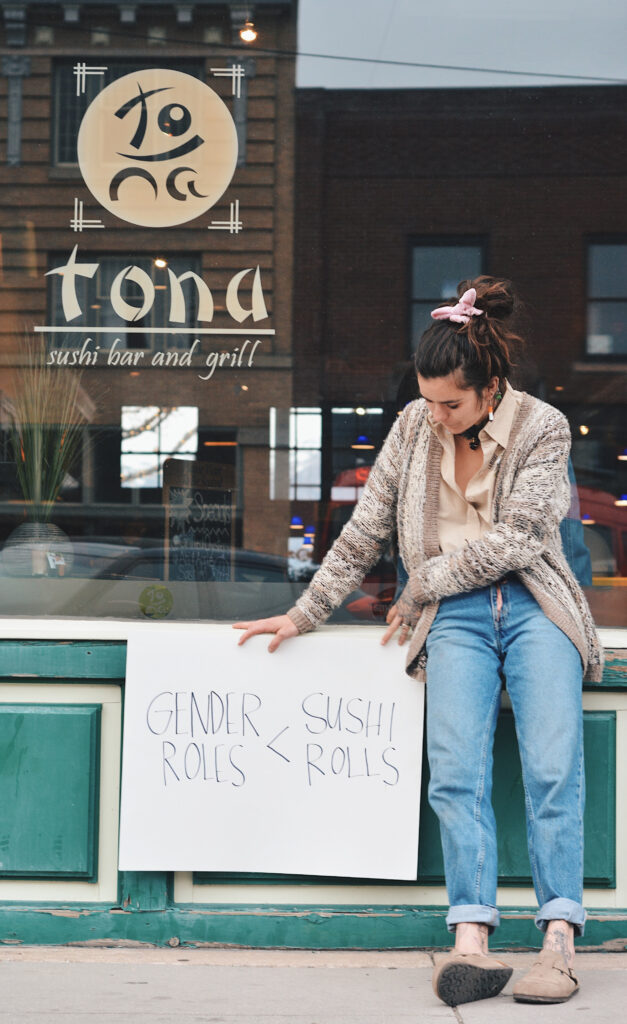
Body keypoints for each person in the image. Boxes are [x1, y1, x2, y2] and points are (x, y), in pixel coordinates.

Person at [234, 276, 604, 1008]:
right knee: (453, 772)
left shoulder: (542, 427)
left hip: (536, 606)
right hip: (456, 617)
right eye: (426, 399)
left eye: (451, 404)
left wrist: (420, 582)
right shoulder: (411, 426)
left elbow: (518, 538)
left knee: (551, 771)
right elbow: (365, 529)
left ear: (488, 387)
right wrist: (303, 614)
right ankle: (470, 937)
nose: (435, 416)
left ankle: (557, 939)